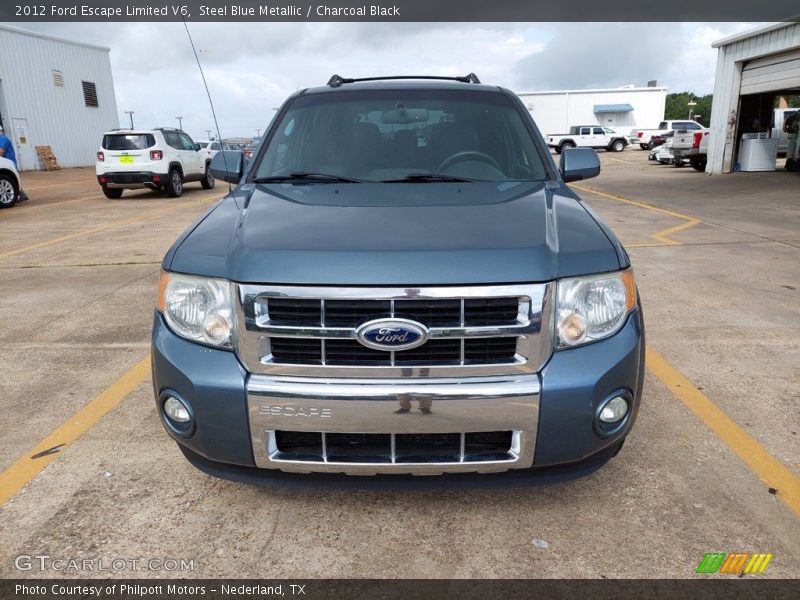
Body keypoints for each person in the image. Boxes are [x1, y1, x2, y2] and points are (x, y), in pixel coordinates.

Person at [0, 125, 28, 202]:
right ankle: (22, 194)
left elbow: (1, 151)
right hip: (6, 162)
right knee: (11, 179)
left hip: (8, 162)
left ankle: (22, 194)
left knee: (10, 179)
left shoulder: (3, 138)